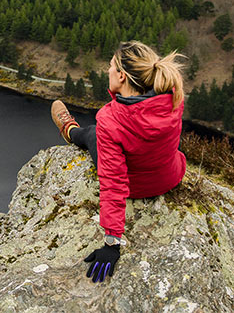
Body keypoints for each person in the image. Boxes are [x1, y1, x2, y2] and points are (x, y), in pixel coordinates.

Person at [51, 40, 187, 283]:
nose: (107, 70)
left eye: (111, 66)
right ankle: (74, 131)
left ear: (122, 76)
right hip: (171, 176)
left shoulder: (111, 120)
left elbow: (113, 182)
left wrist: (112, 242)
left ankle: (70, 131)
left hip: (135, 187)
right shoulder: (173, 98)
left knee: (93, 134)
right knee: (103, 133)